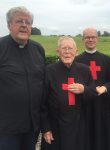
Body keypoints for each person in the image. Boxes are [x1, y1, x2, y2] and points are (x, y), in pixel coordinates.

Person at [0, 6, 45, 150]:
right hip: (6, 126)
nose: (24, 25)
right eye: (19, 21)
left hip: (32, 125)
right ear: (9, 25)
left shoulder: (38, 49)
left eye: (28, 22)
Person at [41, 36, 96, 150]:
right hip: (56, 125)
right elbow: (42, 102)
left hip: (79, 124)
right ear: (58, 51)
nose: (67, 52)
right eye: (63, 48)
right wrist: (46, 129)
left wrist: (84, 89)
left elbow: (93, 93)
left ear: (76, 52)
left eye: (70, 49)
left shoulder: (85, 70)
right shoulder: (49, 71)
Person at [76, 28, 110, 150]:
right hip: (84, 106)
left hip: (102, 105)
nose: (90, 39)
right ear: (83, 39)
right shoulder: (77, 60)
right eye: (87, 37)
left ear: (97, 39)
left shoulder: (106, 59)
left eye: (93, 37)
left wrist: (104, 88)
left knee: (103, 137)